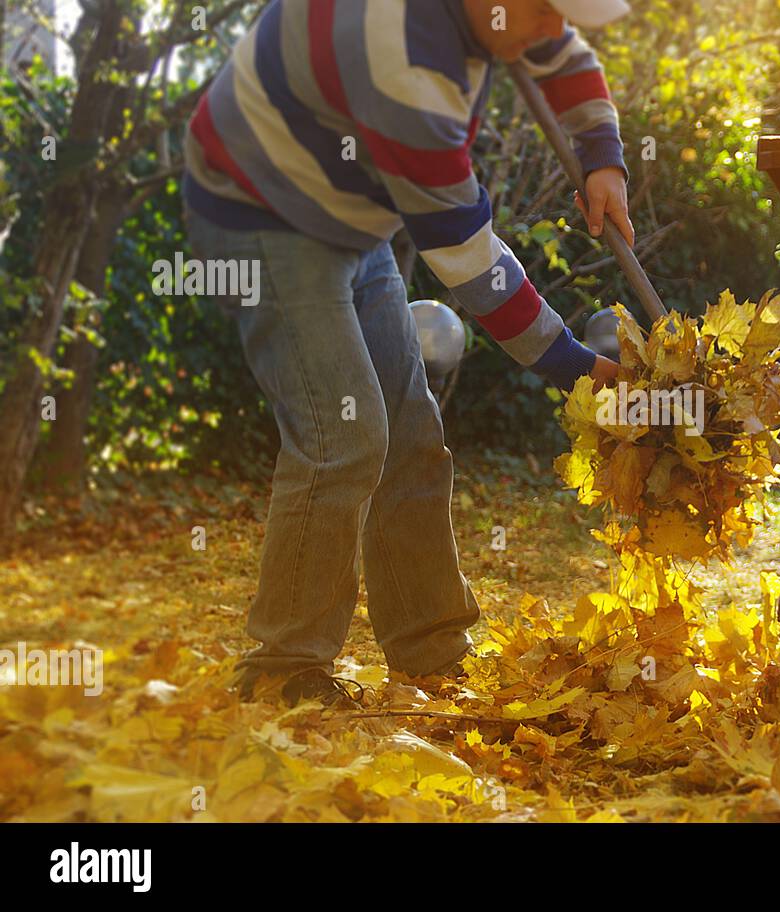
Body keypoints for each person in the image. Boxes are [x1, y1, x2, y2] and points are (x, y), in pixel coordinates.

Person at [181, 0, 633, 707]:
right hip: (260, 211)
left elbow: (564, 55)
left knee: (412, 435)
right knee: (344, 436)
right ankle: (284, 666)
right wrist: (575, 368)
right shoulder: (405, 65)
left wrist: (603, 159)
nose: (555, 28)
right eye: (546, 12)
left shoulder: (499, 17)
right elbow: (463, 250)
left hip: (352, 221)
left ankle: (428, 653)